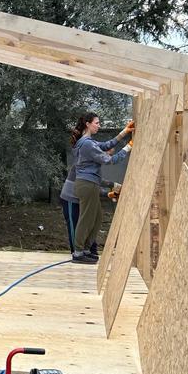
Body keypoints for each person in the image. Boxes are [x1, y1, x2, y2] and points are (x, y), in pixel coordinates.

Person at [70, 113, 135, 264]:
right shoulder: (86, 144)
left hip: (89, 183)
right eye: (97, 123)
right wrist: (128, 147)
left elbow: (106, 145)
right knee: (86, 218)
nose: (99, 126)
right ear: (88, 124)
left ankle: (86, 249)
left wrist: (124, 132)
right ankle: (78, 253)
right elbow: (110, 160)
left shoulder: (88, 142)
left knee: (97, 218)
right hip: (87, 184)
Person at [59, 164, 120, 255]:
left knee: (88, 225)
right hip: (71, 199)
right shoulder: (81, 163)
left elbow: (93, 187)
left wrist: (108, 194)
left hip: (84, 199)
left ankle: (90, 250)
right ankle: (76, 252)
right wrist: (112, 184)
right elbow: (91, 184)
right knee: (74, 226)